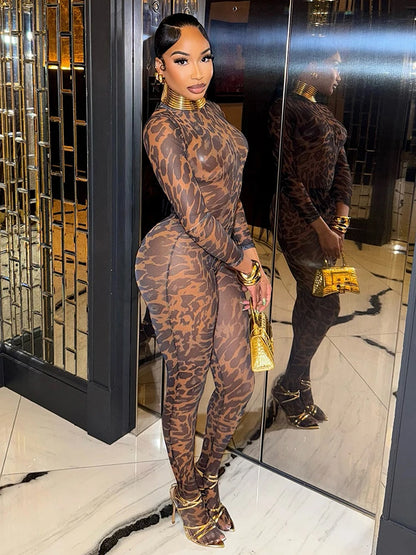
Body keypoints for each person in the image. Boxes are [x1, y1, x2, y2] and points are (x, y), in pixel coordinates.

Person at [135, 13, 271, 548]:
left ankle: (208, 477)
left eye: (205, 58)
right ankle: (187, 493)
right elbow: (192, 215)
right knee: (187, 382)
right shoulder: (161, 128)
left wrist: (249, 248)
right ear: (160, 68)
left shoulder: (213, 112)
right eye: (182, 60)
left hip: (225, 256)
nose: (199, 71)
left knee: (238, 380)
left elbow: (231, 196)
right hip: (180, 261)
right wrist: (242, 262)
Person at [268, 37, 352, 429]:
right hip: (296, 221)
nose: (338, 74)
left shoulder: (324, 112)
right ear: (312, 66)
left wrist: (340, 223)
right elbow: (287, 177)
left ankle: (299, 384)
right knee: (326, 305)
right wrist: (321, 228)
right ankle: (290, 384)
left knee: (310, 301)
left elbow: (343, 171)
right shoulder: (285, 108)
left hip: (325, 226)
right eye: (334, 65)